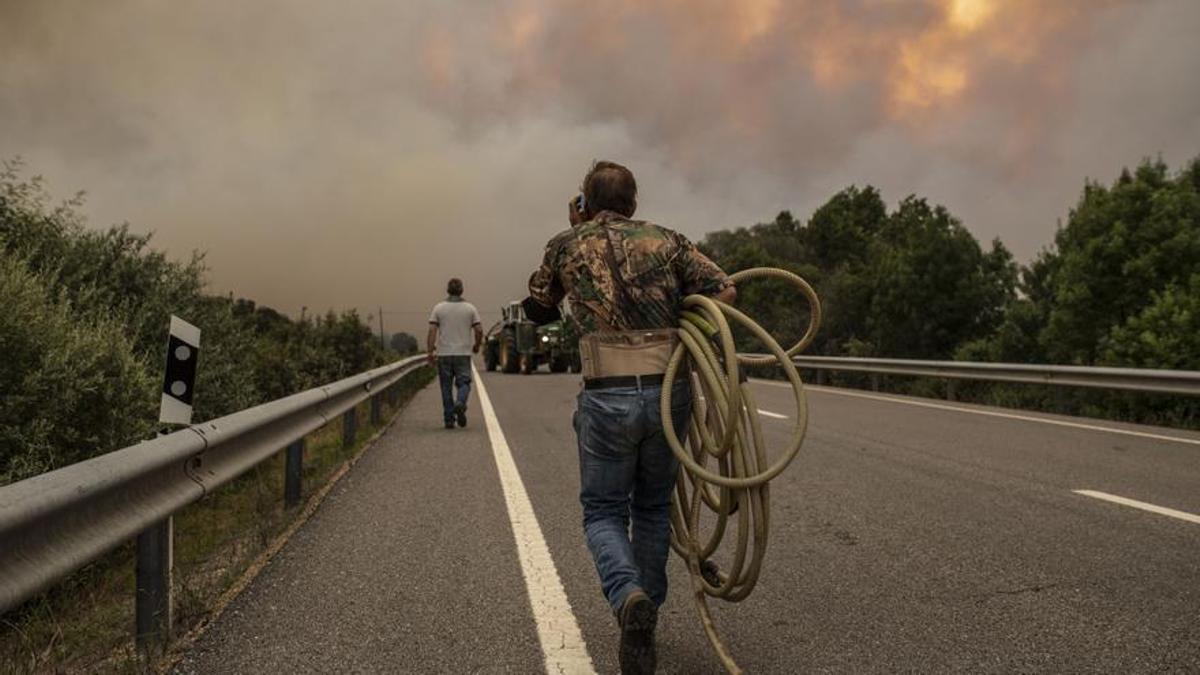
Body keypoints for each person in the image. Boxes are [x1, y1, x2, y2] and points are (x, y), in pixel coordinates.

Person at [524, 161, 736, 674]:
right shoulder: (667, 240)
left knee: (602, 511)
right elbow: (725, 290)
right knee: (652, 508)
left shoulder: (564, 244)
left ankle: (628, 598)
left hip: (606, 394)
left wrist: (576, 233)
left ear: (583, 203)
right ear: (634, 203)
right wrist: (683, 314)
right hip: (669, 392)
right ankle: (646, 620)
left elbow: (538, 308)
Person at [427, 278, 483, 429]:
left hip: (444, 354)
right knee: (464, 383)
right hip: (463, 353)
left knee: (446, 387)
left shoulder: (438, 308)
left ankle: (449, 420)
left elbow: (432, 330)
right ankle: (460, 402)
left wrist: (430, 351)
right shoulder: (470, 308)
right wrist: (477, 345)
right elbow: (479, 330)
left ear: (447, 290)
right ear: (462, 290)